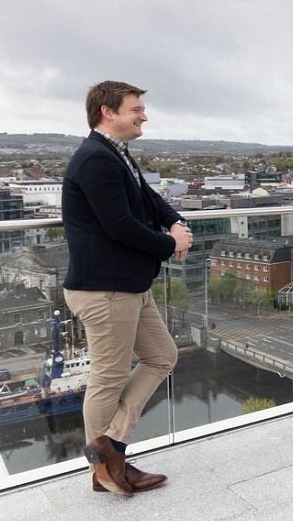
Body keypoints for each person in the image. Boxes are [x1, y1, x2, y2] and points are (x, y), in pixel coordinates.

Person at [62, 81, 193, 496]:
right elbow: (119, 226)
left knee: (162, 356)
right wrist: (171, 245)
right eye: (136, 109)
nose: (144, 116)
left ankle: (110, 447)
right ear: (107, 111)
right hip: (106, 290)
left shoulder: (114, 154)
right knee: (109, 377)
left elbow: (149, 199)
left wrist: (174, 222)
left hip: (128, 286)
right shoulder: (95, 160)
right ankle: (105, 472)